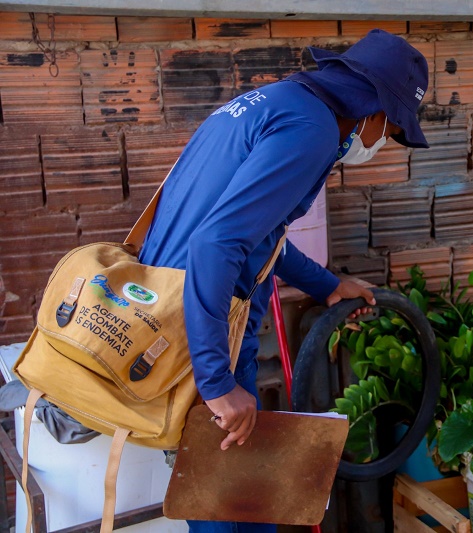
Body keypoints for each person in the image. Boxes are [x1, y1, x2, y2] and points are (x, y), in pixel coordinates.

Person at [138, 29, 429, 532]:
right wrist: (218, 384)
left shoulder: (270, 102)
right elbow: (215, 245)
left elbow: (255, 233)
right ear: (374, 110)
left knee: (241, 501)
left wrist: (325, 284)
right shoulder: (311, 130)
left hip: (174, 307)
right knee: (229, 509)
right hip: (208, 332)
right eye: (391, 129)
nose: (383, 141)